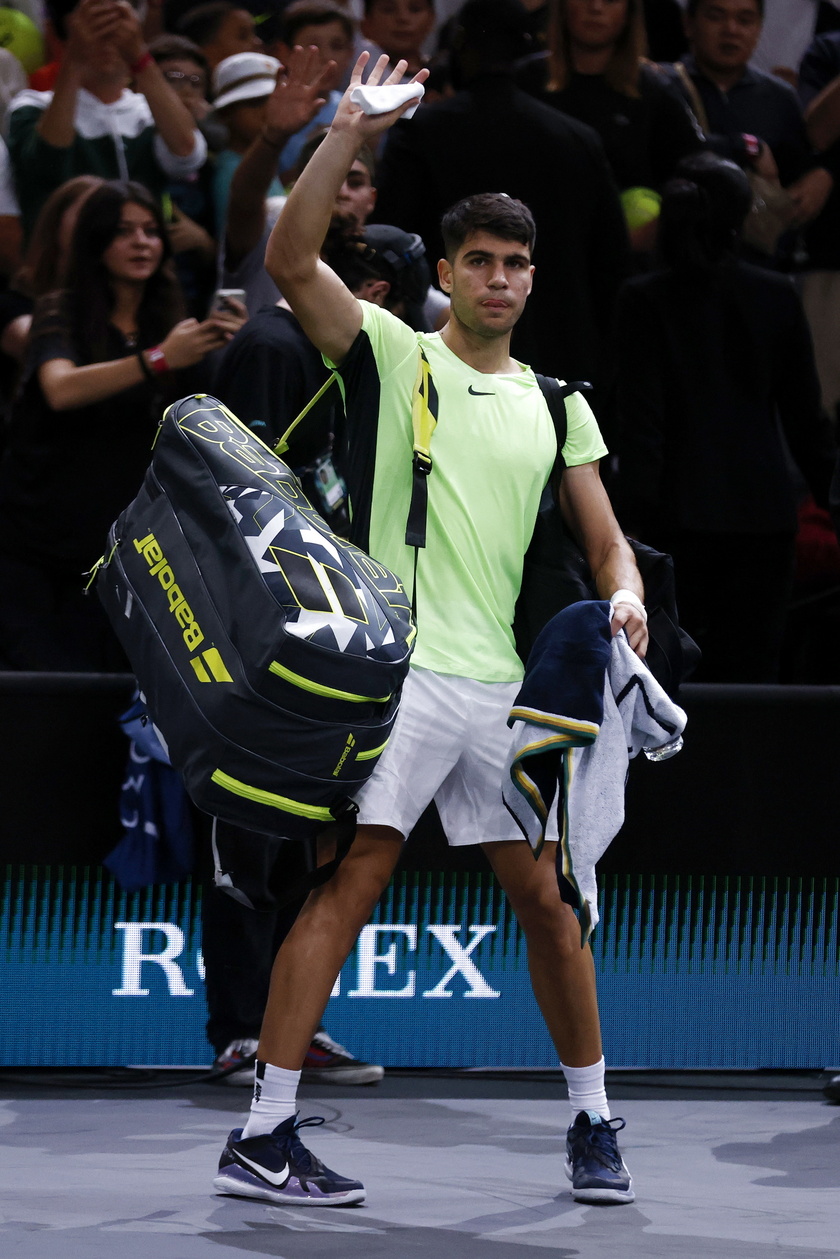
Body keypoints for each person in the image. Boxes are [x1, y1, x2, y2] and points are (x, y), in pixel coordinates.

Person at [212, 50, 648, 1210]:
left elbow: (603, 537)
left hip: (498, 689)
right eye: (481, 263)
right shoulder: (394, 352)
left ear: (531, 279)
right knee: (350, 881)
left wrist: (624, 593)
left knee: (548, 905)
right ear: (447, 273)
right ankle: (264, 1132)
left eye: (516, 265)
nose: (499, 280)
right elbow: (289, 257)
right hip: (398, 677)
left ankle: (595, 1120)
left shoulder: (558, 402)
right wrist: (347, 131)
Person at [0, 179, 245, 670]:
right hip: (43, 540)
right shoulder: (60, 310)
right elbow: (60, 387)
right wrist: (159, 359)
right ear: (95, 242)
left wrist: (232, 349)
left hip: (133, 545)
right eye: (124, 232)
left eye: (152, 231)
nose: (141, 242)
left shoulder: (173, 321)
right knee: (49, 685)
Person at [613, 152, 836, 682]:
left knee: (667, 680)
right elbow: (807, 420)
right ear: (741, 216)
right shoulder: (775, 294)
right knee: (754, 675)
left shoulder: (643, 300)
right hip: (763, 516)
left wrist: (628, 525)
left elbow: (640, 423)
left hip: (674, 518)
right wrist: (830, 499)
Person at [373, 0, 629, 389]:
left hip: (449, 361)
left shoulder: (421, 133)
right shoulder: (578, 139)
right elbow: (612, 263)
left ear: (460, 50)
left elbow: (391, 245)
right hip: (562, 357)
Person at [5, 0, 208, 242]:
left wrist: (139, 55)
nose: (107, 39)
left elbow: (187, 156)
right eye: (94, 27)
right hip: (65, 270)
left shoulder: (150, 110)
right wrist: (74, 57)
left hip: (142, 269)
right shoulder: (32, 106)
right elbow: (45, 164)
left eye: (117, 27)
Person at [516, 0, 704, 252]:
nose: (595, 7)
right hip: (536, 254)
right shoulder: (524, 81)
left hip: (628, 265)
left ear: (629, 13)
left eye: (610, 0)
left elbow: (697, 176)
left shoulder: (655, 91)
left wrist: (653, 231)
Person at [665, 0, 835, 256]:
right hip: (675, 258)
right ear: (688, 24)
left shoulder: (780, 98)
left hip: (756, 263)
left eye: (744, 20)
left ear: (758, 29)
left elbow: (798, 176)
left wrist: (820, 177)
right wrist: (747, 147)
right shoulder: (661, 86)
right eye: (716, 17)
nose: (731, 30)